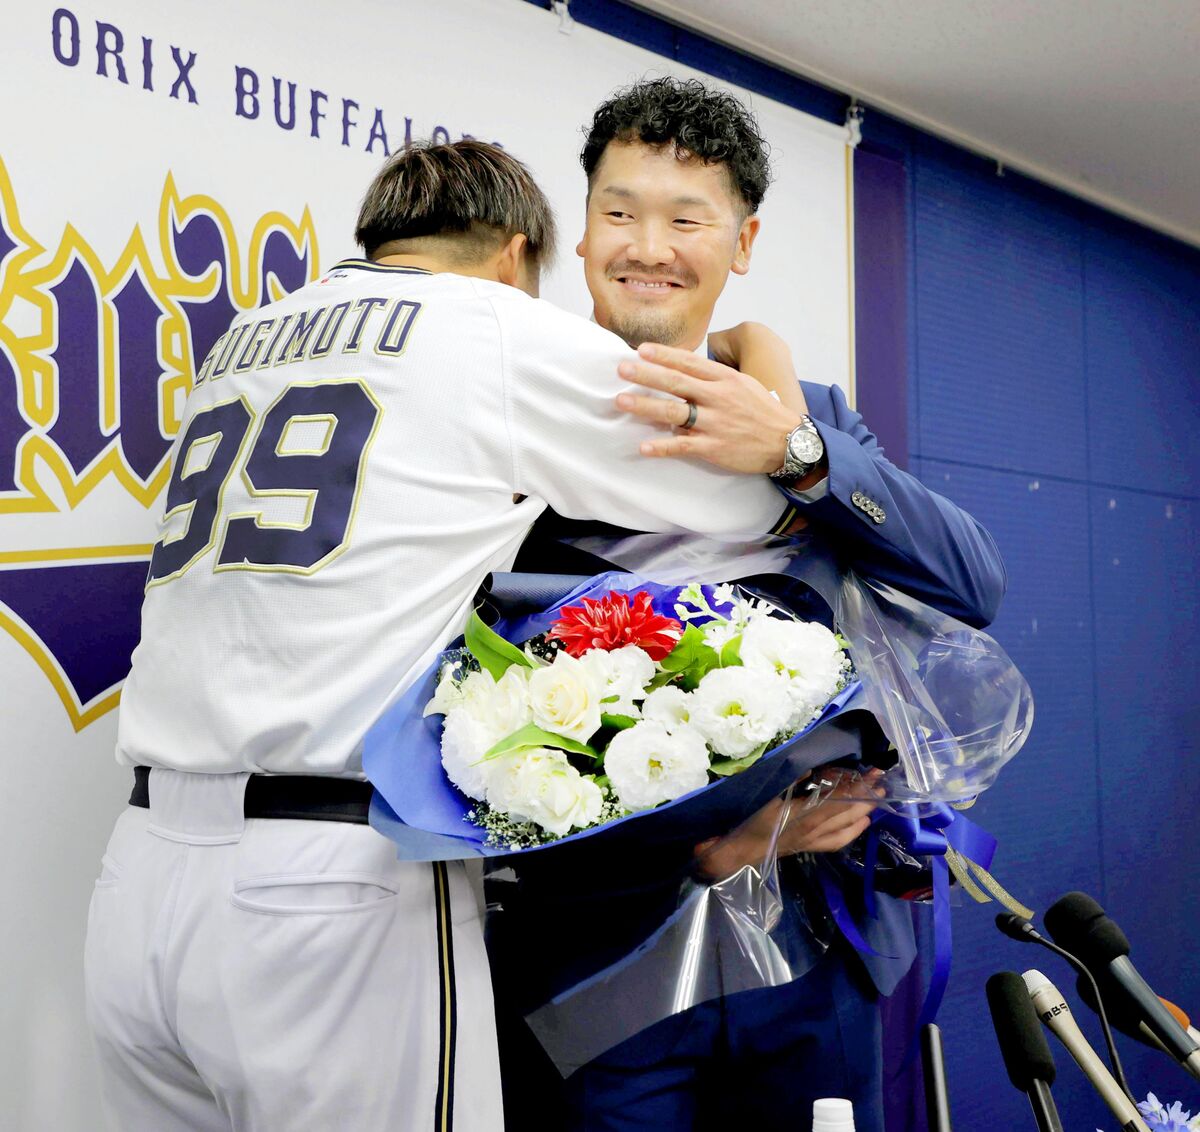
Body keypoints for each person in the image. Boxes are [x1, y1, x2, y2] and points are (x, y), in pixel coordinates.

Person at [82, 139, 807, 1132]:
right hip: (325, 878)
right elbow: (769, 485)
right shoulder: (491, 324)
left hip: (142, 872)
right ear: (515, 254)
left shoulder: (245, 336)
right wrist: (765, 348)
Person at [493, 77, 1007, 1131]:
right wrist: (716, 843)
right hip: (601, 967)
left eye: (687, 219)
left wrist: (792, 453)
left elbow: (970, 579)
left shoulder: (803, 409)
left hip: (815, 960)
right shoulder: (510, 402)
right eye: (620, 211)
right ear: (581, 231)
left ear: (743, 242)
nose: (649, 246)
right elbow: (465, 696)